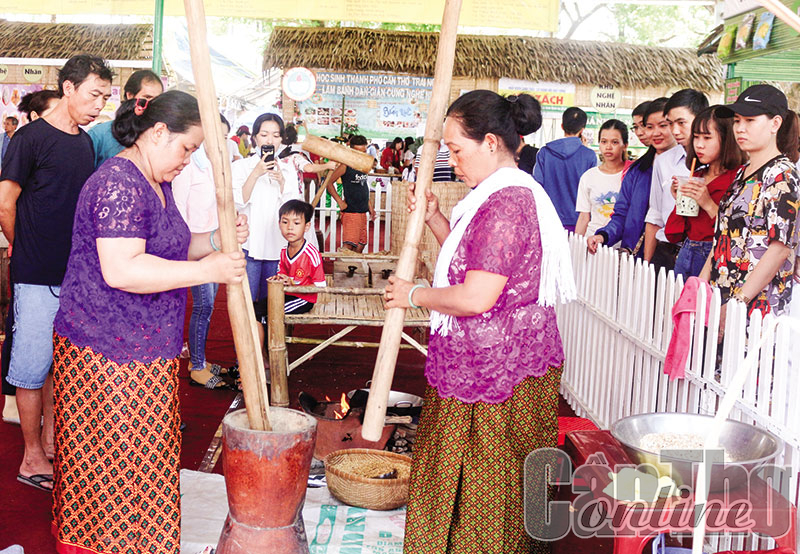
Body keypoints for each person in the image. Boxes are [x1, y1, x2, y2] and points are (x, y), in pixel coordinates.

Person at [51, 90, 248, 553]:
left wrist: (215, 240)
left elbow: (171, 246)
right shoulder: (118, 183)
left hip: (144, 349)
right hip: (106, 355)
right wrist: (208, 270)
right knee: (111, 475)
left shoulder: (154, 181)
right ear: (159, 132)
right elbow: (123, 269)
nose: (187, 159)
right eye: (187, 148)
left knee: (144, 468)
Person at [384, 90, 575, 554]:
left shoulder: (506, 204)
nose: (453, 162)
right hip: (498, 362)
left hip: (494, 373)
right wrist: (434, 218)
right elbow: (479, 262)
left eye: (457, 150)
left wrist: (412, 295)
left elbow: (475, 296)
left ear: (490, 142)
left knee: (485, 486)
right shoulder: (499, 195)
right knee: (499, 477)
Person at [0, 55, 113, 493]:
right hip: (34, 274)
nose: (99, 104)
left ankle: (50, 441)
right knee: (30, 368)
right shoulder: (30, 138)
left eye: (104, 97)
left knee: (57, 365)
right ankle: (31, 456)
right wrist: (25, 248)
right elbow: (5, 203)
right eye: (93, 95)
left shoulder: (84, 143)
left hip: (75, 275)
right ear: (68, 88)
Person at [700, 85, 800, 321]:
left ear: (775, 124)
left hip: (758, 310)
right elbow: (722, 236)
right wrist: (701, 287)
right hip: (722, 297)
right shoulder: (742, 173)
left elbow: (780, 248)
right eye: (737, 120)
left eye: (750, 120)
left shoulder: (782, 175)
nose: (740, 128)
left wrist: (738, 303)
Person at [1, 89, 61, 426]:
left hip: (50, 259)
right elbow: (6, 203)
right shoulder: (25, 143)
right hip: (29, 256)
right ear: (36, 117)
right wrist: (20, 243)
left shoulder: (71, 143)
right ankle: (11, 399)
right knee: (21, 331)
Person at [232, 113, 334, 308]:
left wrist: (281, 182)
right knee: (246, 304)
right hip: (250, 244)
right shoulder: (241, 167)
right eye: (264, 135)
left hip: (277, 248)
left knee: (273, 305)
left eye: (276, 135)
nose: (270, 140)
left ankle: (267, 330)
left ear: (281, 139)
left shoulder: (287, 169)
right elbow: (238, 202)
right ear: (254, 137)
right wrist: (256, 173)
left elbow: (293, 209)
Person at [172, 114, 238, 390]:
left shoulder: (218, 166)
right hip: (195, 248)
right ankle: (197, 367)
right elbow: (177, 209)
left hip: (214, 245)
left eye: (224, 137)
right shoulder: (189, 166)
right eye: (214, 136)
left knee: (207, 307)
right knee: (203, 306)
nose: (219, 142)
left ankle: (201, 360)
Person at [665, 106, 746, 280]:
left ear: (727, 139)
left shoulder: (739, 178)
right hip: (686, 252)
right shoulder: (697, 176)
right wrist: (680, 200)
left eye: (707, 138)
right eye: (696, 137)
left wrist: (708, 203)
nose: (699, 145)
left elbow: (738, 232)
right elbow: (672, 234)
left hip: (716, 257)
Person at [587, 98, 667, 254]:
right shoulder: (638, 170)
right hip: (634, 253)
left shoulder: (684, 168)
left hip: (667, 255)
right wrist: (603, 235)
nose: (641, 132)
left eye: (645, 125)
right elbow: (622, 214)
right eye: (636, 127)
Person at [644, 89, 709, 273]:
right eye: (670, 123)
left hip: (703, 253)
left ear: (701, 119)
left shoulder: (717, 164)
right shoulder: (663, 161)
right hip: (666, 250)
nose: (675, 131)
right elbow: (655, 215)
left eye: (681, 123)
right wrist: (647, 263)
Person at [534, 106, 598, 232]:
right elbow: (592, 191)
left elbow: (537, 187)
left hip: (549, 221)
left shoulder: (544, 153)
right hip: (580, 222)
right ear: (582, 129)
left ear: (562, 126)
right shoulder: (589, 156)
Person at [88, 69, 164, 168]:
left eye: (157, 99)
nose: (153, 104)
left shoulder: (160, 136)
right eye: (147, 97)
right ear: (130, 96)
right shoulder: (100, 135)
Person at [575, 119, 628, 238]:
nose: (608, 147)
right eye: (604, 142)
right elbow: (584, 217)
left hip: (622, 243)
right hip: (592, 241)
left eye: (614, 142)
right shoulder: (589, 176)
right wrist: (576, 244)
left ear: (625, 145)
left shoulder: (631, 176)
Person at [322, 134, 374, 252]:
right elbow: (328, 183)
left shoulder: (364, 165)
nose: (361, 154)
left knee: (361, 244)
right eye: (358, 151)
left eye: (364, 151)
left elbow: (363, 186)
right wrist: (340, 202)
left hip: (362, 211)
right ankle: (342, 263)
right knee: (349, 245)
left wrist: (370, 206)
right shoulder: (345, 166)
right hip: (351, 211)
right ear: (351, 150)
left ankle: (352, 264)